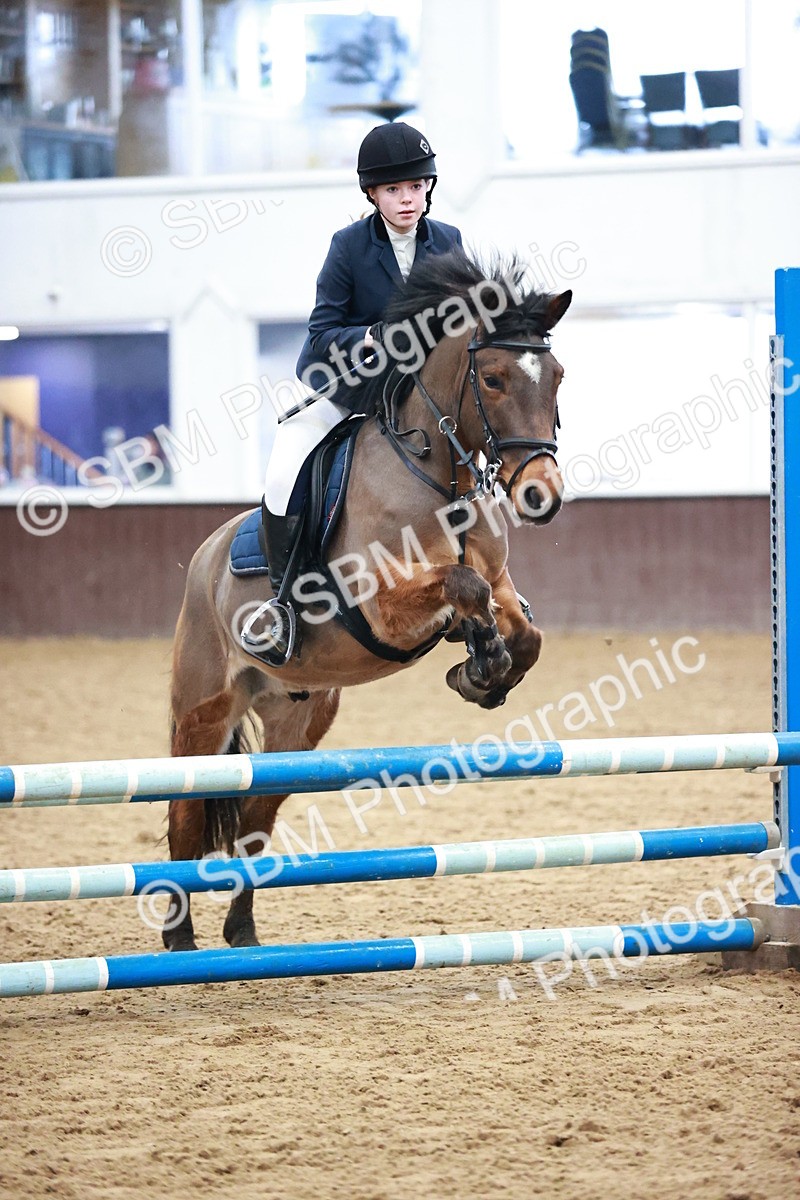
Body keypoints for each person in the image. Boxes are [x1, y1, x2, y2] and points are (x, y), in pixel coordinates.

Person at [252, 121, 463, 666]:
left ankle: (494, 581)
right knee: (283, 470)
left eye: (417, 187)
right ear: (372, 193)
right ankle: (283, 604)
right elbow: (320, 334)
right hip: (351, 389)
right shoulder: (347, 247)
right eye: (395, 190)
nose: (408, 200)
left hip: (418, 399)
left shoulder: (449, 242)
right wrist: (368, 336)